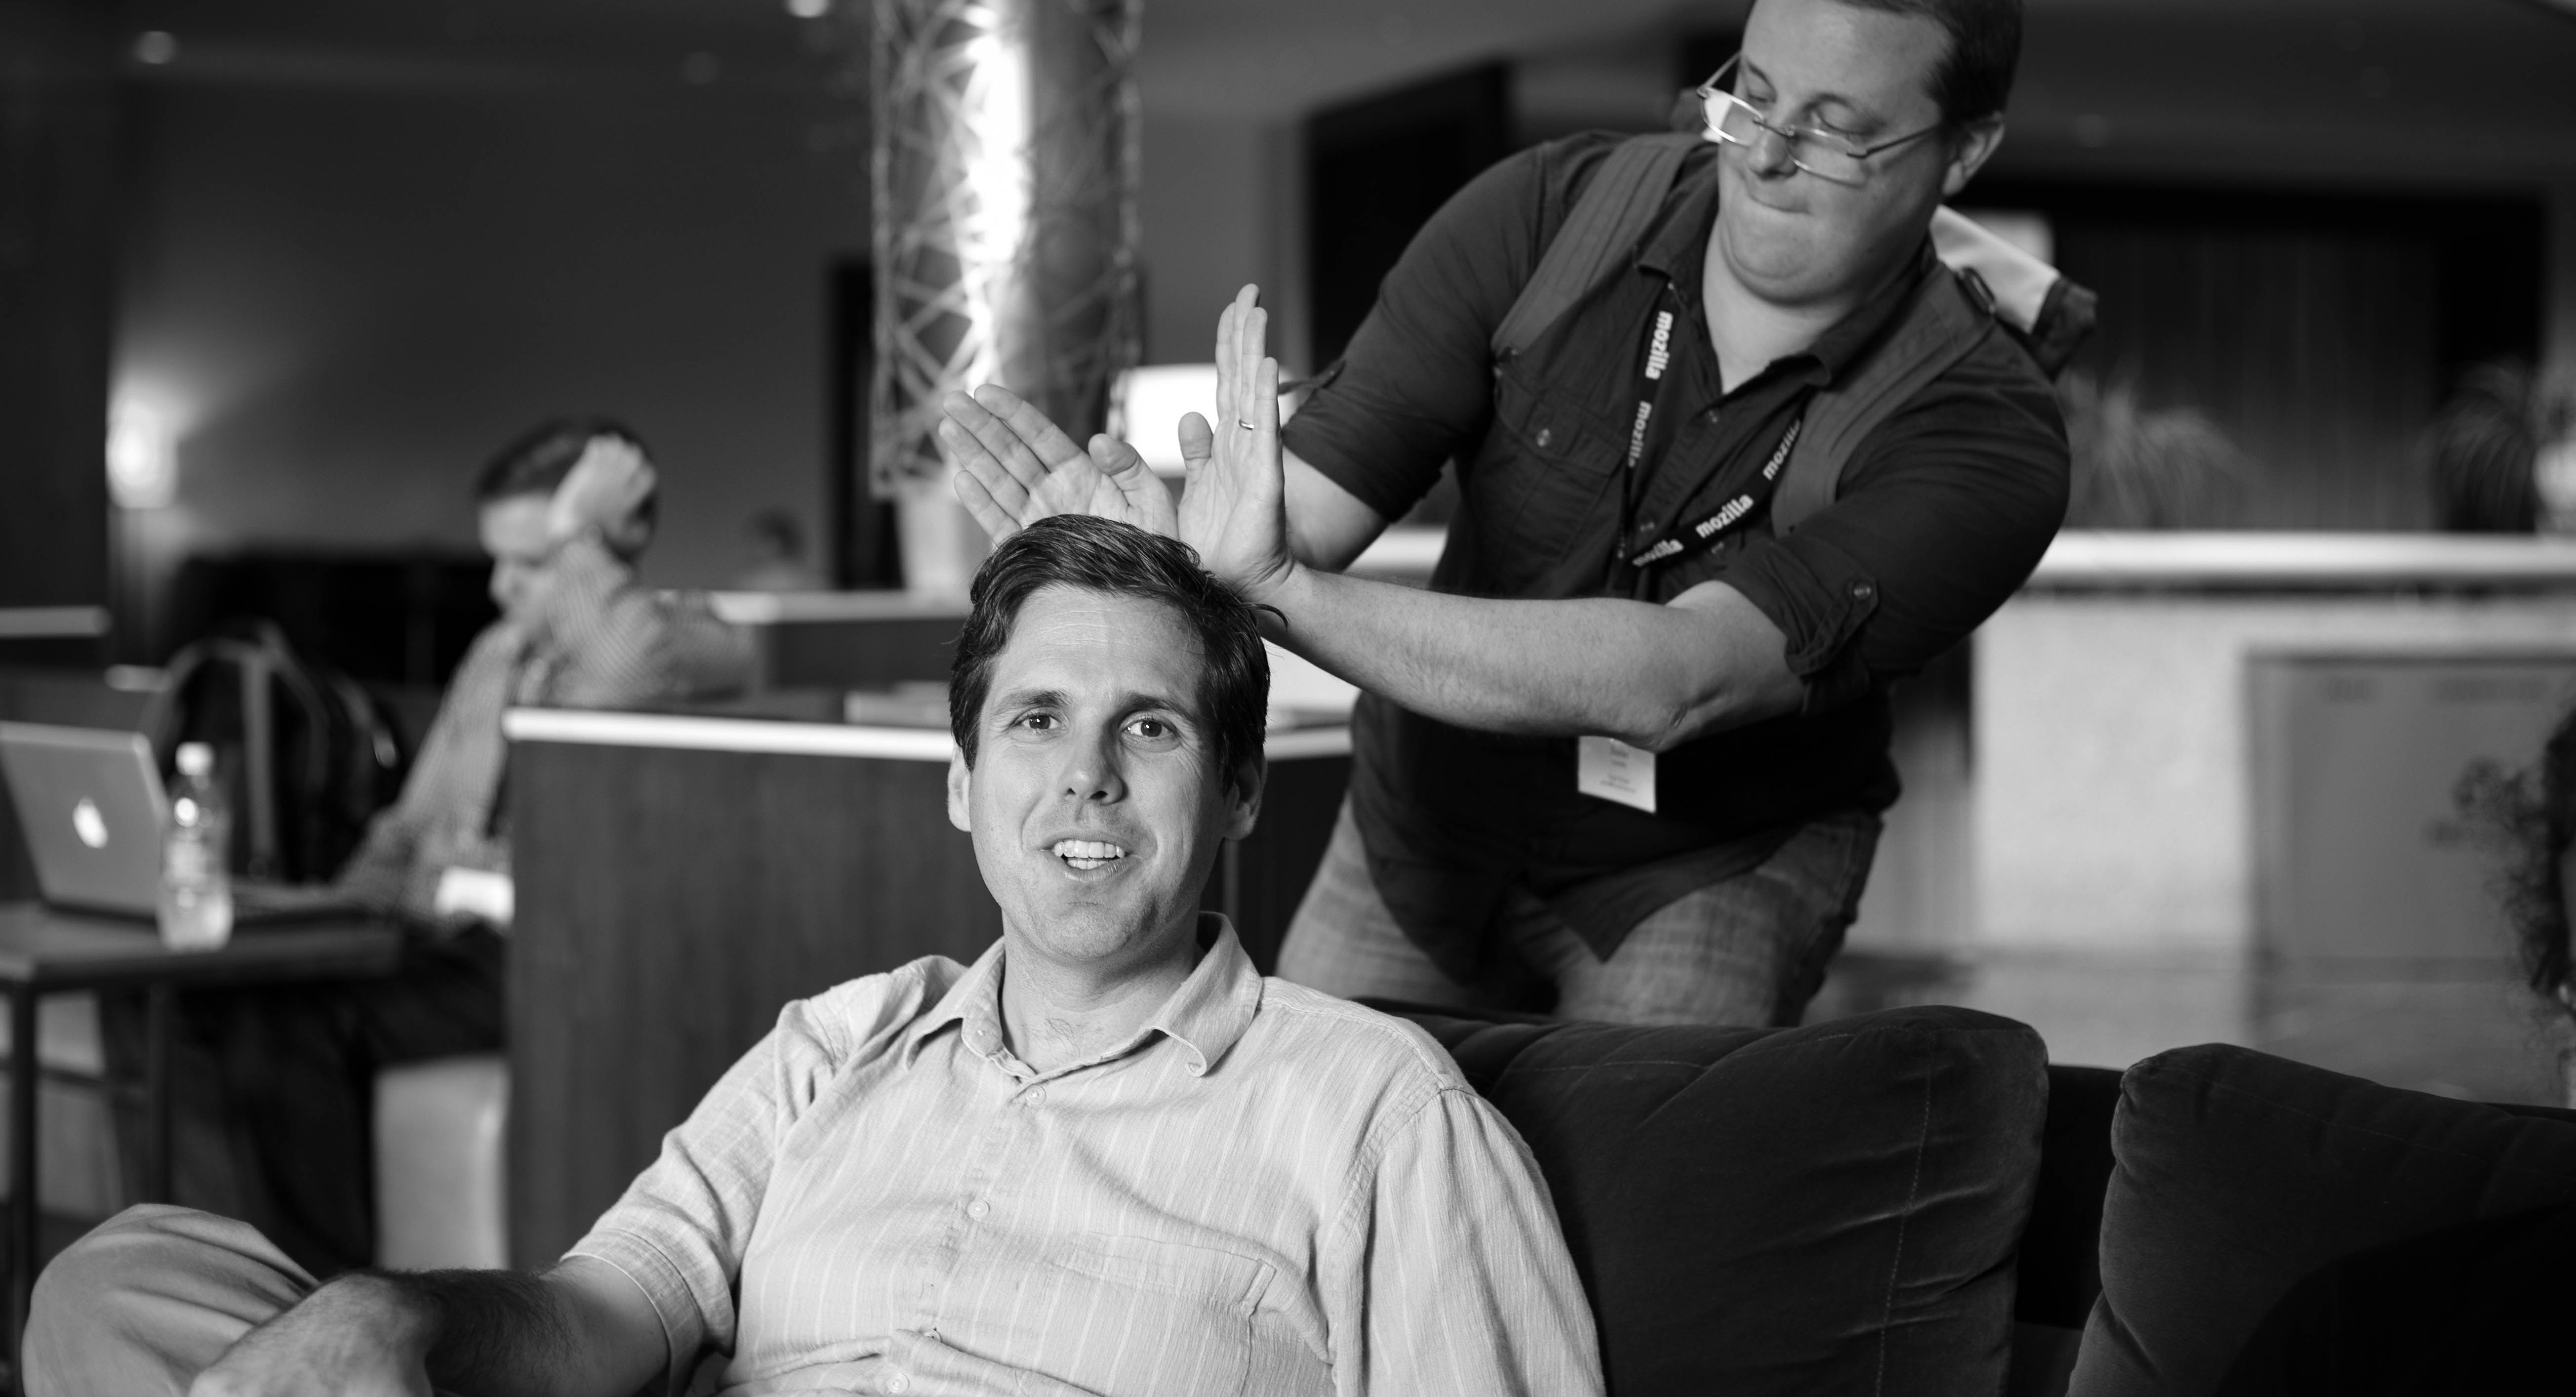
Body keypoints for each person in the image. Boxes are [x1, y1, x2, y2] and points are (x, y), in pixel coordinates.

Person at [30, 516, 1606, 1397]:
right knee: (125, 1280)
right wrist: (406, 1324)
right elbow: (606, 1313)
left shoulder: (1375, 1111)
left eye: (1151, 730)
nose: (1086, 779)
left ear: (1243, 787)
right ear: (962, 781)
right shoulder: (840, 1043)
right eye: (1035, 722)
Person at [938, 0, 2074, 1027]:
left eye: (1834, 131)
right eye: (1755, 94)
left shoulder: (1979, 429)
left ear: (1963, 150)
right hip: (1421, 829)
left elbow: (1677, 678)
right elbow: (1300, 513)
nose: (1766, 156)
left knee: (1630, 1147)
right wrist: (1155, 555)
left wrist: (1276, 591)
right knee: (1316, 1125)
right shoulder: (1549, 217)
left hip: (1703, 866)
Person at [109, 418, 753, 1279]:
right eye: (499, 558)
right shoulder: (494, 655)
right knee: (169, 998)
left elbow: (621, 664)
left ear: (606, 545)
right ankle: (192, 1279)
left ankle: (315, 1304)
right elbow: (409, 825)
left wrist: (580, 531)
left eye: (533, 560)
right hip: (430, 938)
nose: (499, 585)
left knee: (287, 1025)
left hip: (539, 960)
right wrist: (328, 921)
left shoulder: (675, 642)